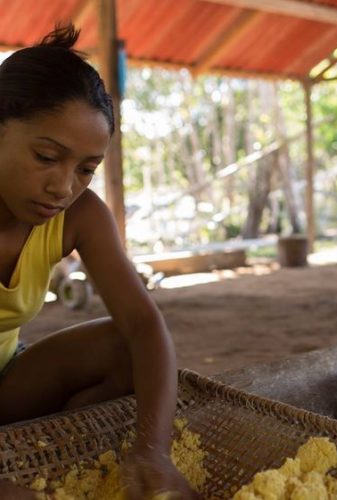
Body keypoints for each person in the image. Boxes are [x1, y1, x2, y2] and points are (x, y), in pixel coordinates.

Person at [0, 25, 197, 499]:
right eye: (47, 156)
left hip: (8, 385)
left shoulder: (79, 215)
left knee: (128, 350)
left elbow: (144, 327)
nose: (64, 187)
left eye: (86, 168)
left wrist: (154, 449)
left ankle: (46, 453)